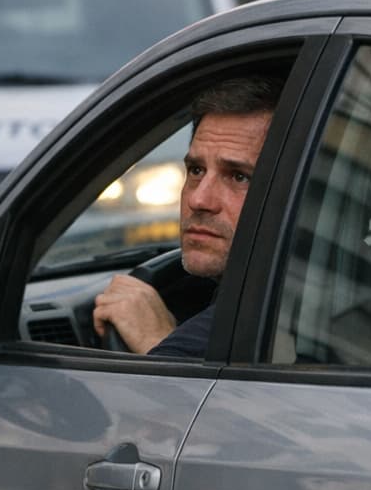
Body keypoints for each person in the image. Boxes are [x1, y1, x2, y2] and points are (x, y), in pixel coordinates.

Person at [92, 76, 282, 358]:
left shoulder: (258, 317)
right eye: (196, 170)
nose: (198, 200)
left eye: (239, 176)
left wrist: (156, 341)